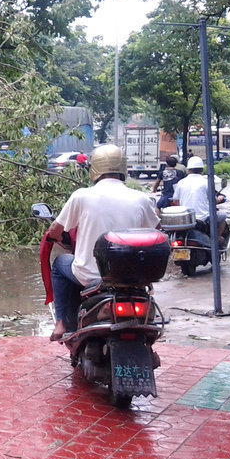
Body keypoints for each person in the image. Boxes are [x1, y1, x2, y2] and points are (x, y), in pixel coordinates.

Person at [46, 144, 159, 341]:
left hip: (90, 277)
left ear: (94, 169)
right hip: (132, 279)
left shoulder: (81, 196)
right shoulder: (141, 198)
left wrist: (56, 235)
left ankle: (60, 324)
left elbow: (55, 230)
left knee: (58, 265)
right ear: (123, 169)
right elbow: (156, 233)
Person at [171, 156, 228, 240]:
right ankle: (217, 237)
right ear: (202, 170)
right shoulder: (206, 182)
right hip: (204, 218)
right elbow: (213, 201)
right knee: (223, 215)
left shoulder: (181, 182)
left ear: (188, 170)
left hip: (186, 219)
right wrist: (219, 199)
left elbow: (176, 201)